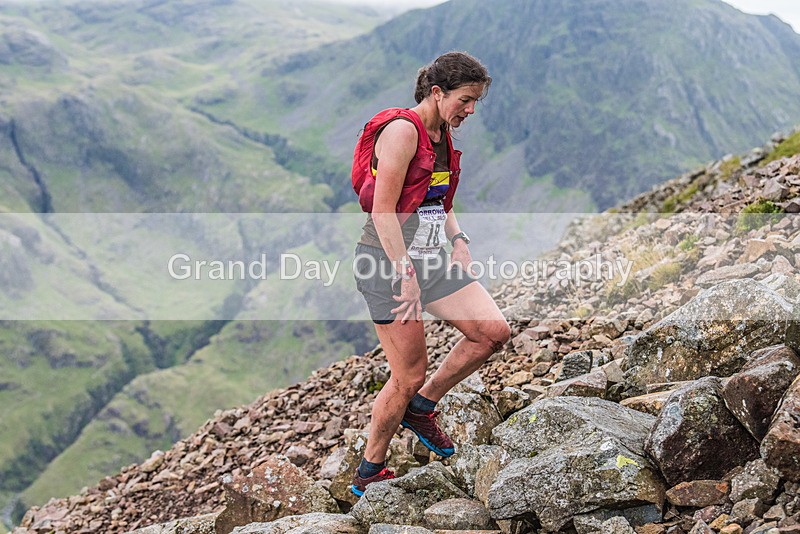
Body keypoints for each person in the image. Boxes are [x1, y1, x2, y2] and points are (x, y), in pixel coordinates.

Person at [350, 51, 511, 497]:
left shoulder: (441, 133)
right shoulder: (403, 132)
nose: (471, 110)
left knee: (492, 333)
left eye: (476, 101)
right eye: (466, 99)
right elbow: (383, 211)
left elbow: (440, 199)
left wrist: (458, 240)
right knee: (407, 375)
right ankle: (369, 470)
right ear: (437, 92)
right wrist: (405, 273)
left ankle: (421, 409)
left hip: (429, 257)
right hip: (386, 262)